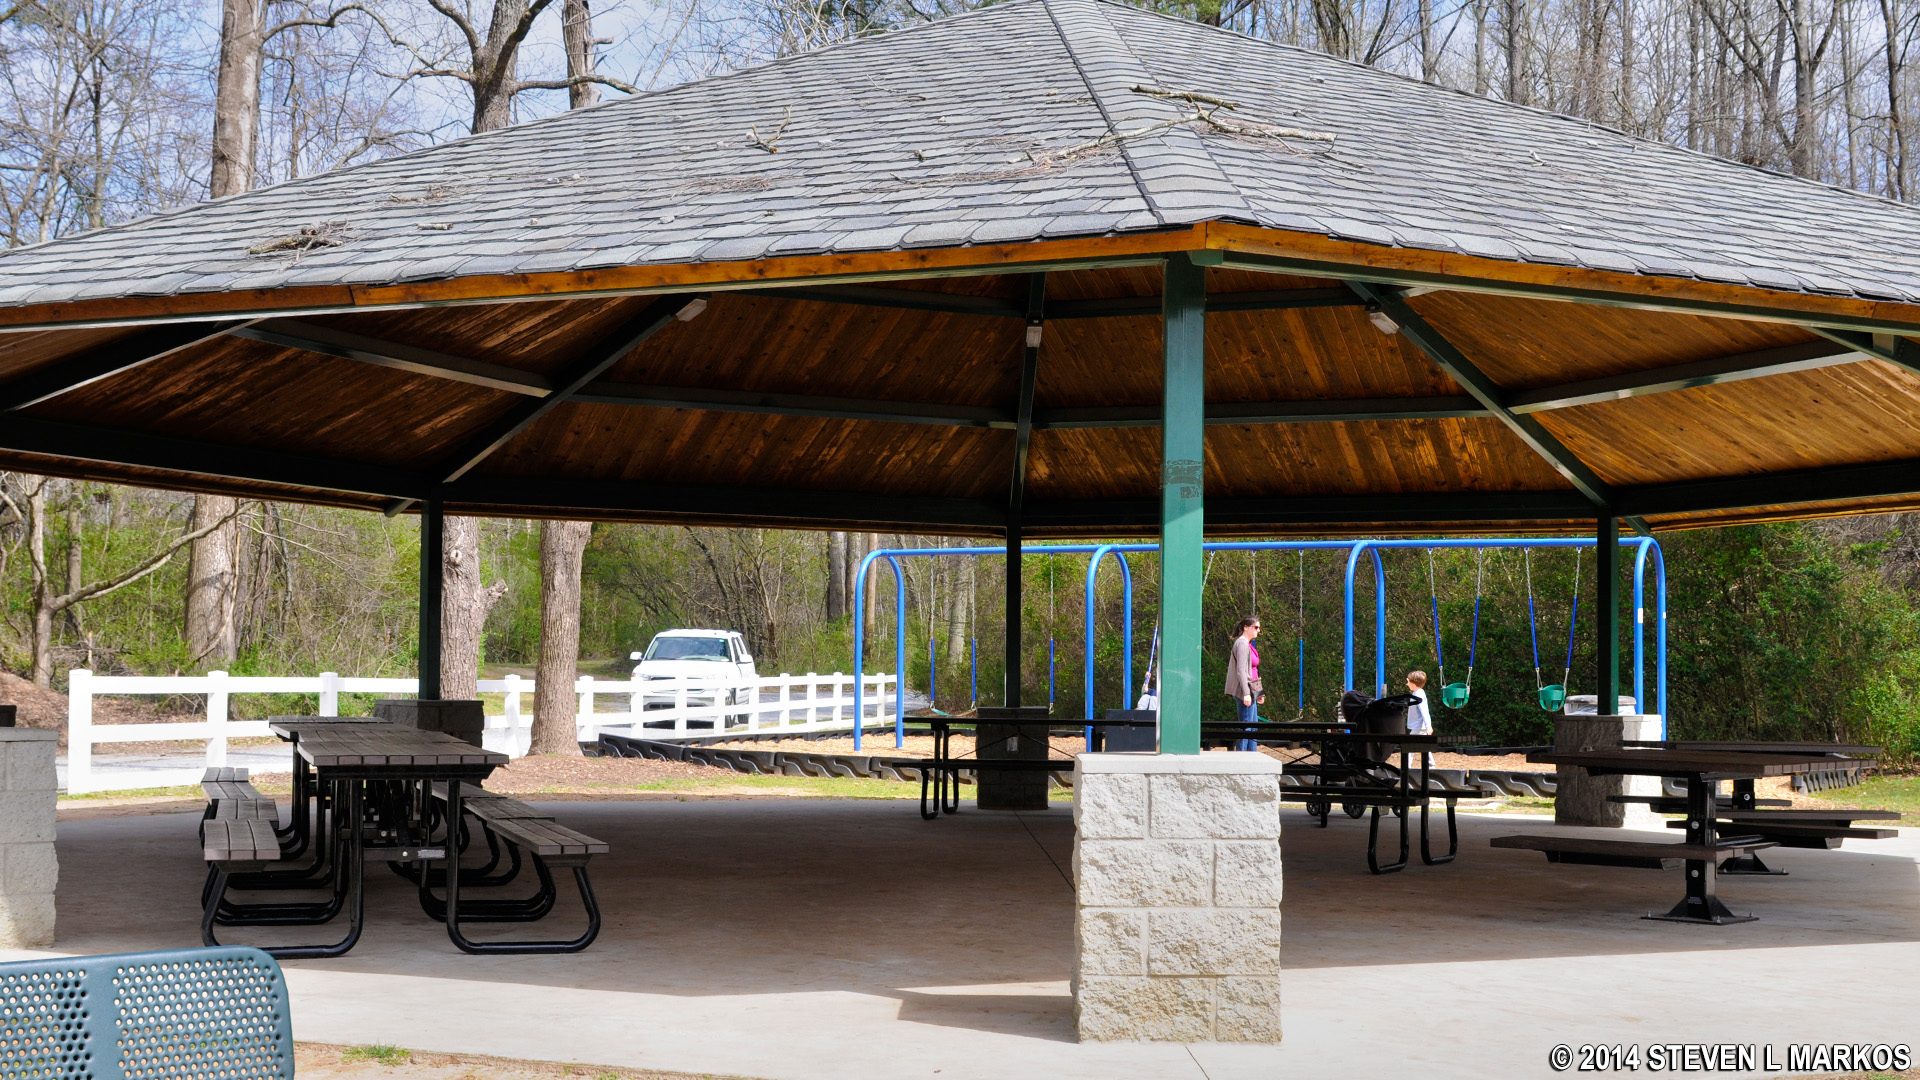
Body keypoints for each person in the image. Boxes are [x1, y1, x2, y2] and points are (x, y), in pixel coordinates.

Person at [1224, 616, 1264, 751]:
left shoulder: (1248, 645)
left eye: (1259, 628)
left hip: (1251, 691)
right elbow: (1241, 671)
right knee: (1246, 727)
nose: (1258, 630)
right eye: (1256, 627)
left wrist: (1259, 693)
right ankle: (1242, 756)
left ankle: (1253, 755)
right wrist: (1246, 694)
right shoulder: (1241, 644)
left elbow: (1253, 670)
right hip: (1244, 691)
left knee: (1253, 727)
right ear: (1246, 627)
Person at [1406, 670, 1434, 767]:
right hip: (1419, 726)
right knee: (1424, 745)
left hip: (1419, 726)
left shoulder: (1419, 694)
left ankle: (1407, 766)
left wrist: (1428, 725)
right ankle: (1431, 765)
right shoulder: (1416, 693)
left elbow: (1424, 710)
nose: (1407, 684)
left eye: (1408, 681)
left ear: (1413, 683)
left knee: (1409, 745)